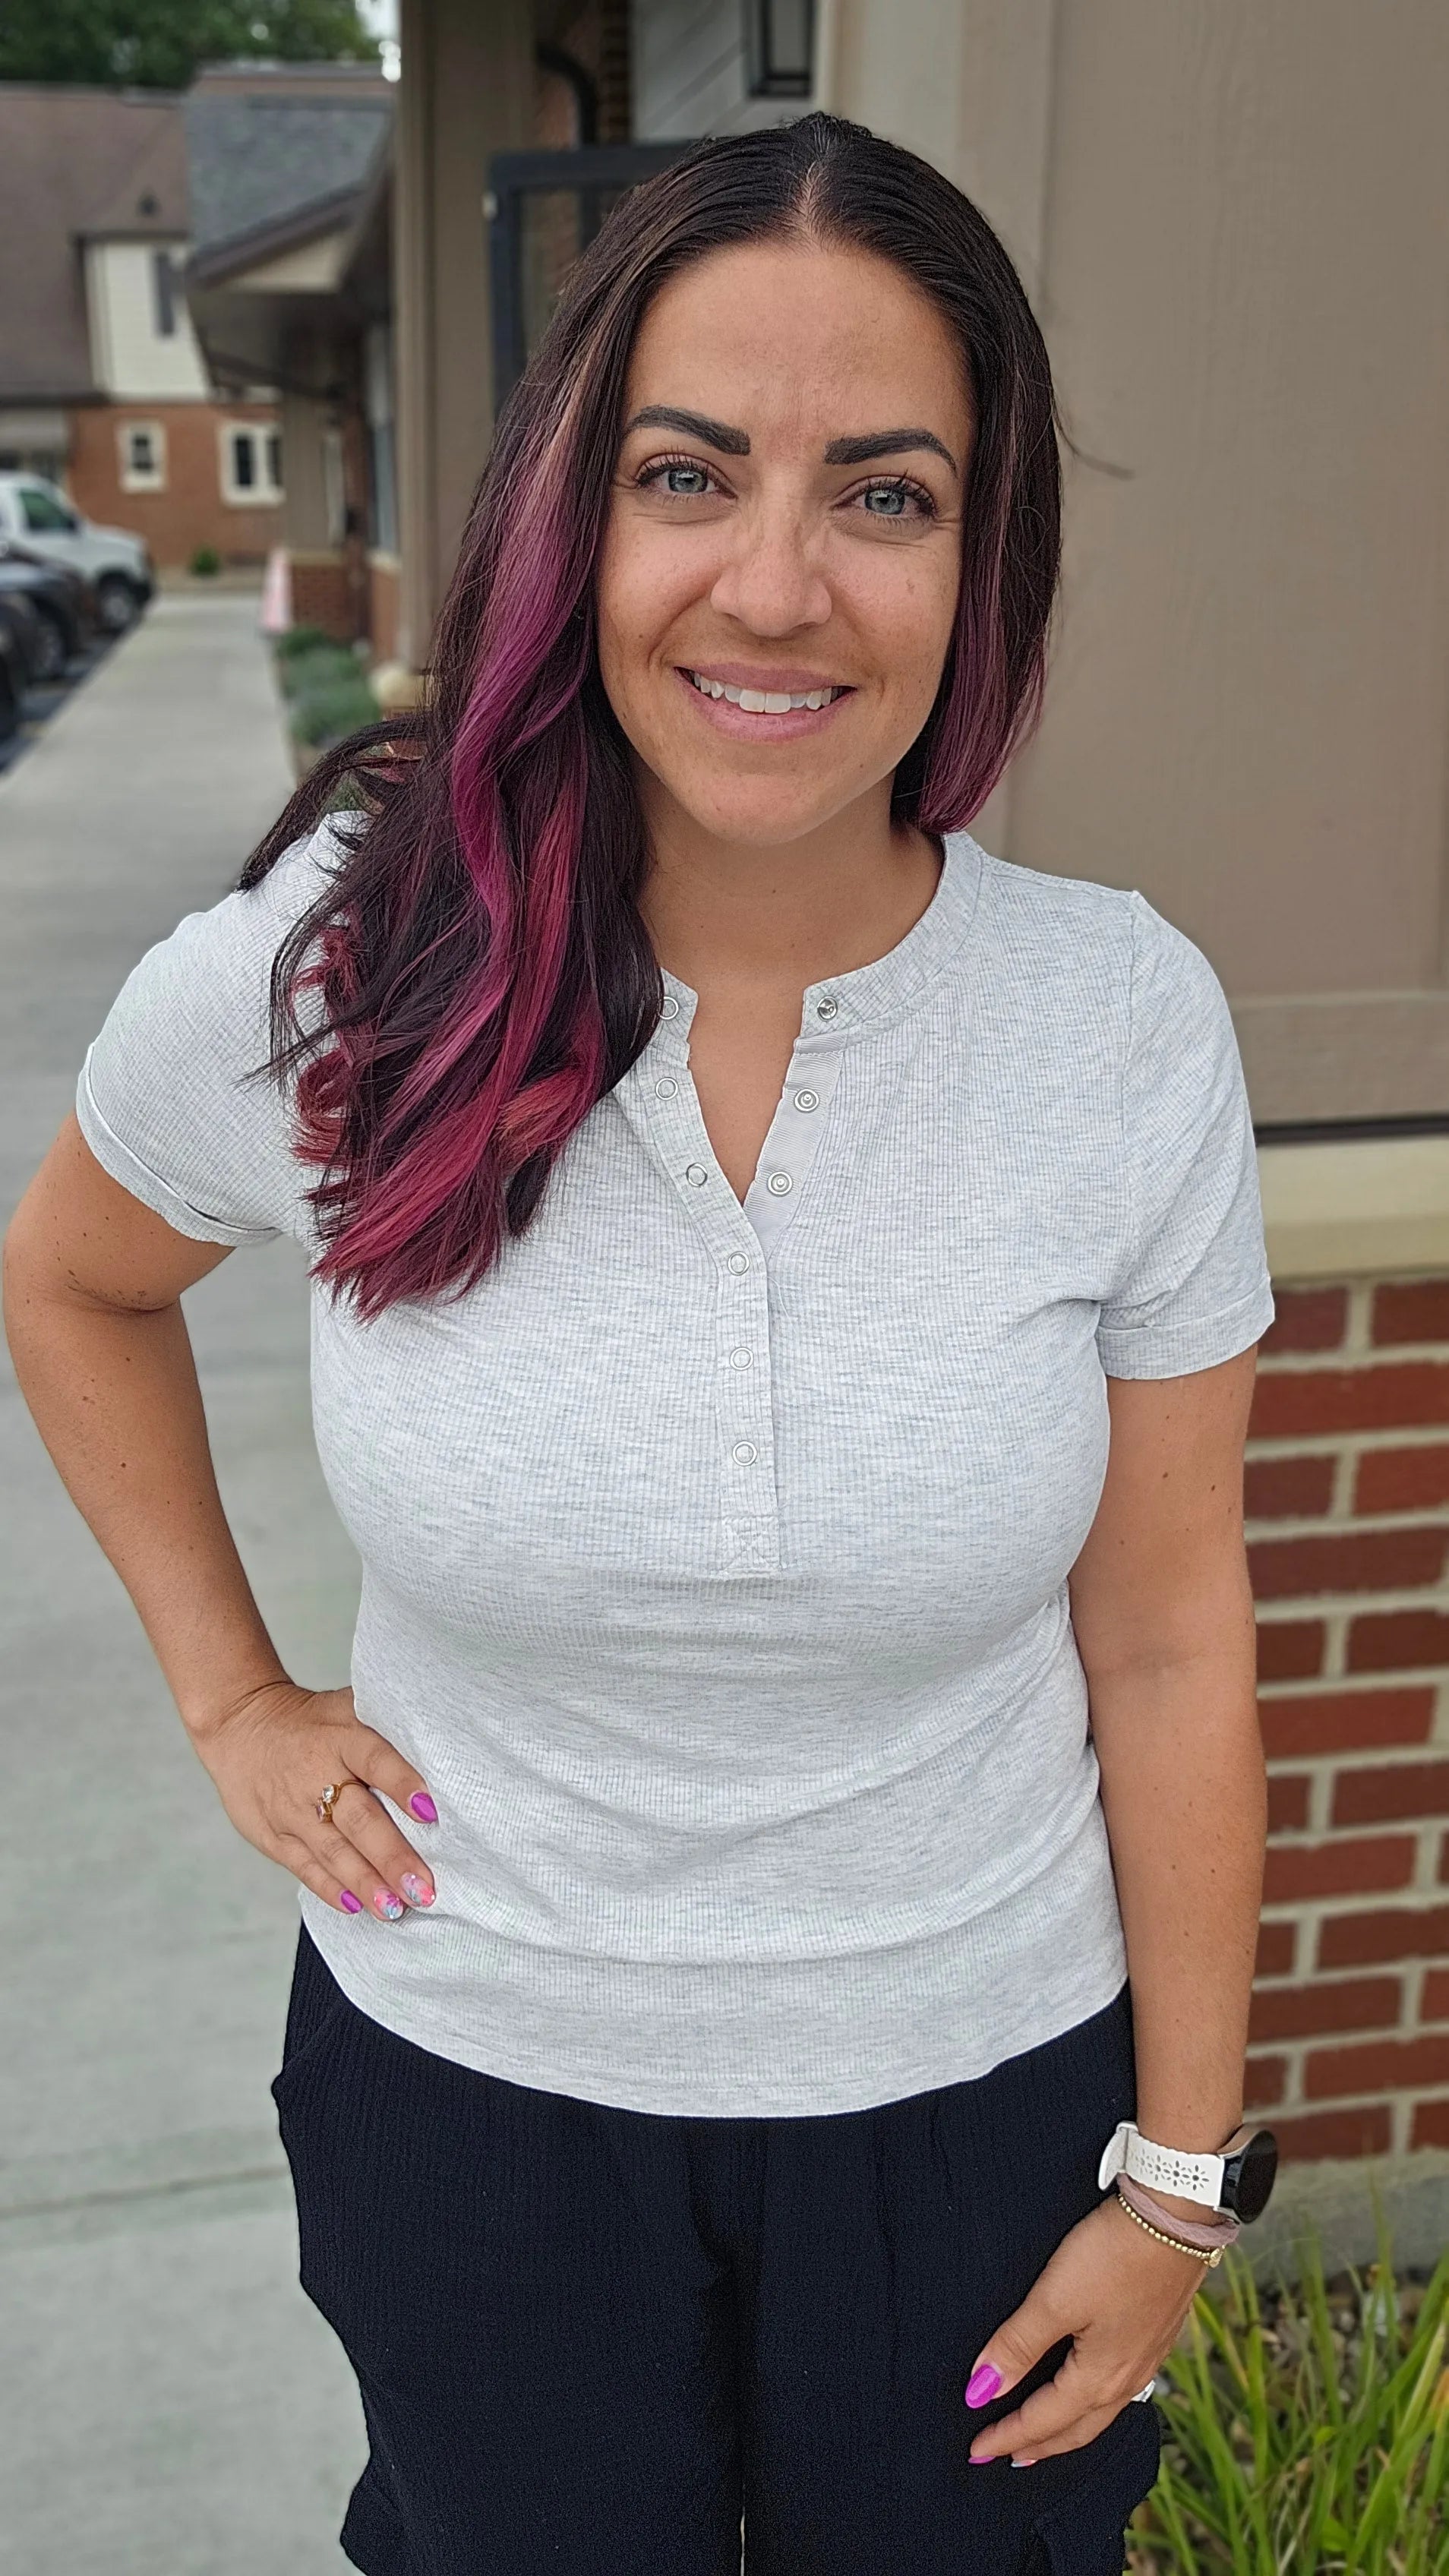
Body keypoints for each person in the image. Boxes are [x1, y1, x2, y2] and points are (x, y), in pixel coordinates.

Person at [3, 113, 1277, 2576]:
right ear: (570, 517)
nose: (775, 588)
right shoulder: (345, 976)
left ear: (973, 558)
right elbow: (70, 1277)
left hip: (976, 2103)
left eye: (883, 495)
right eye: (688, 474)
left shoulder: (1112, 1022)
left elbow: (1165, 1629)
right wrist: (230, 1694)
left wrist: (1179, 2179)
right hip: (477, 2096)